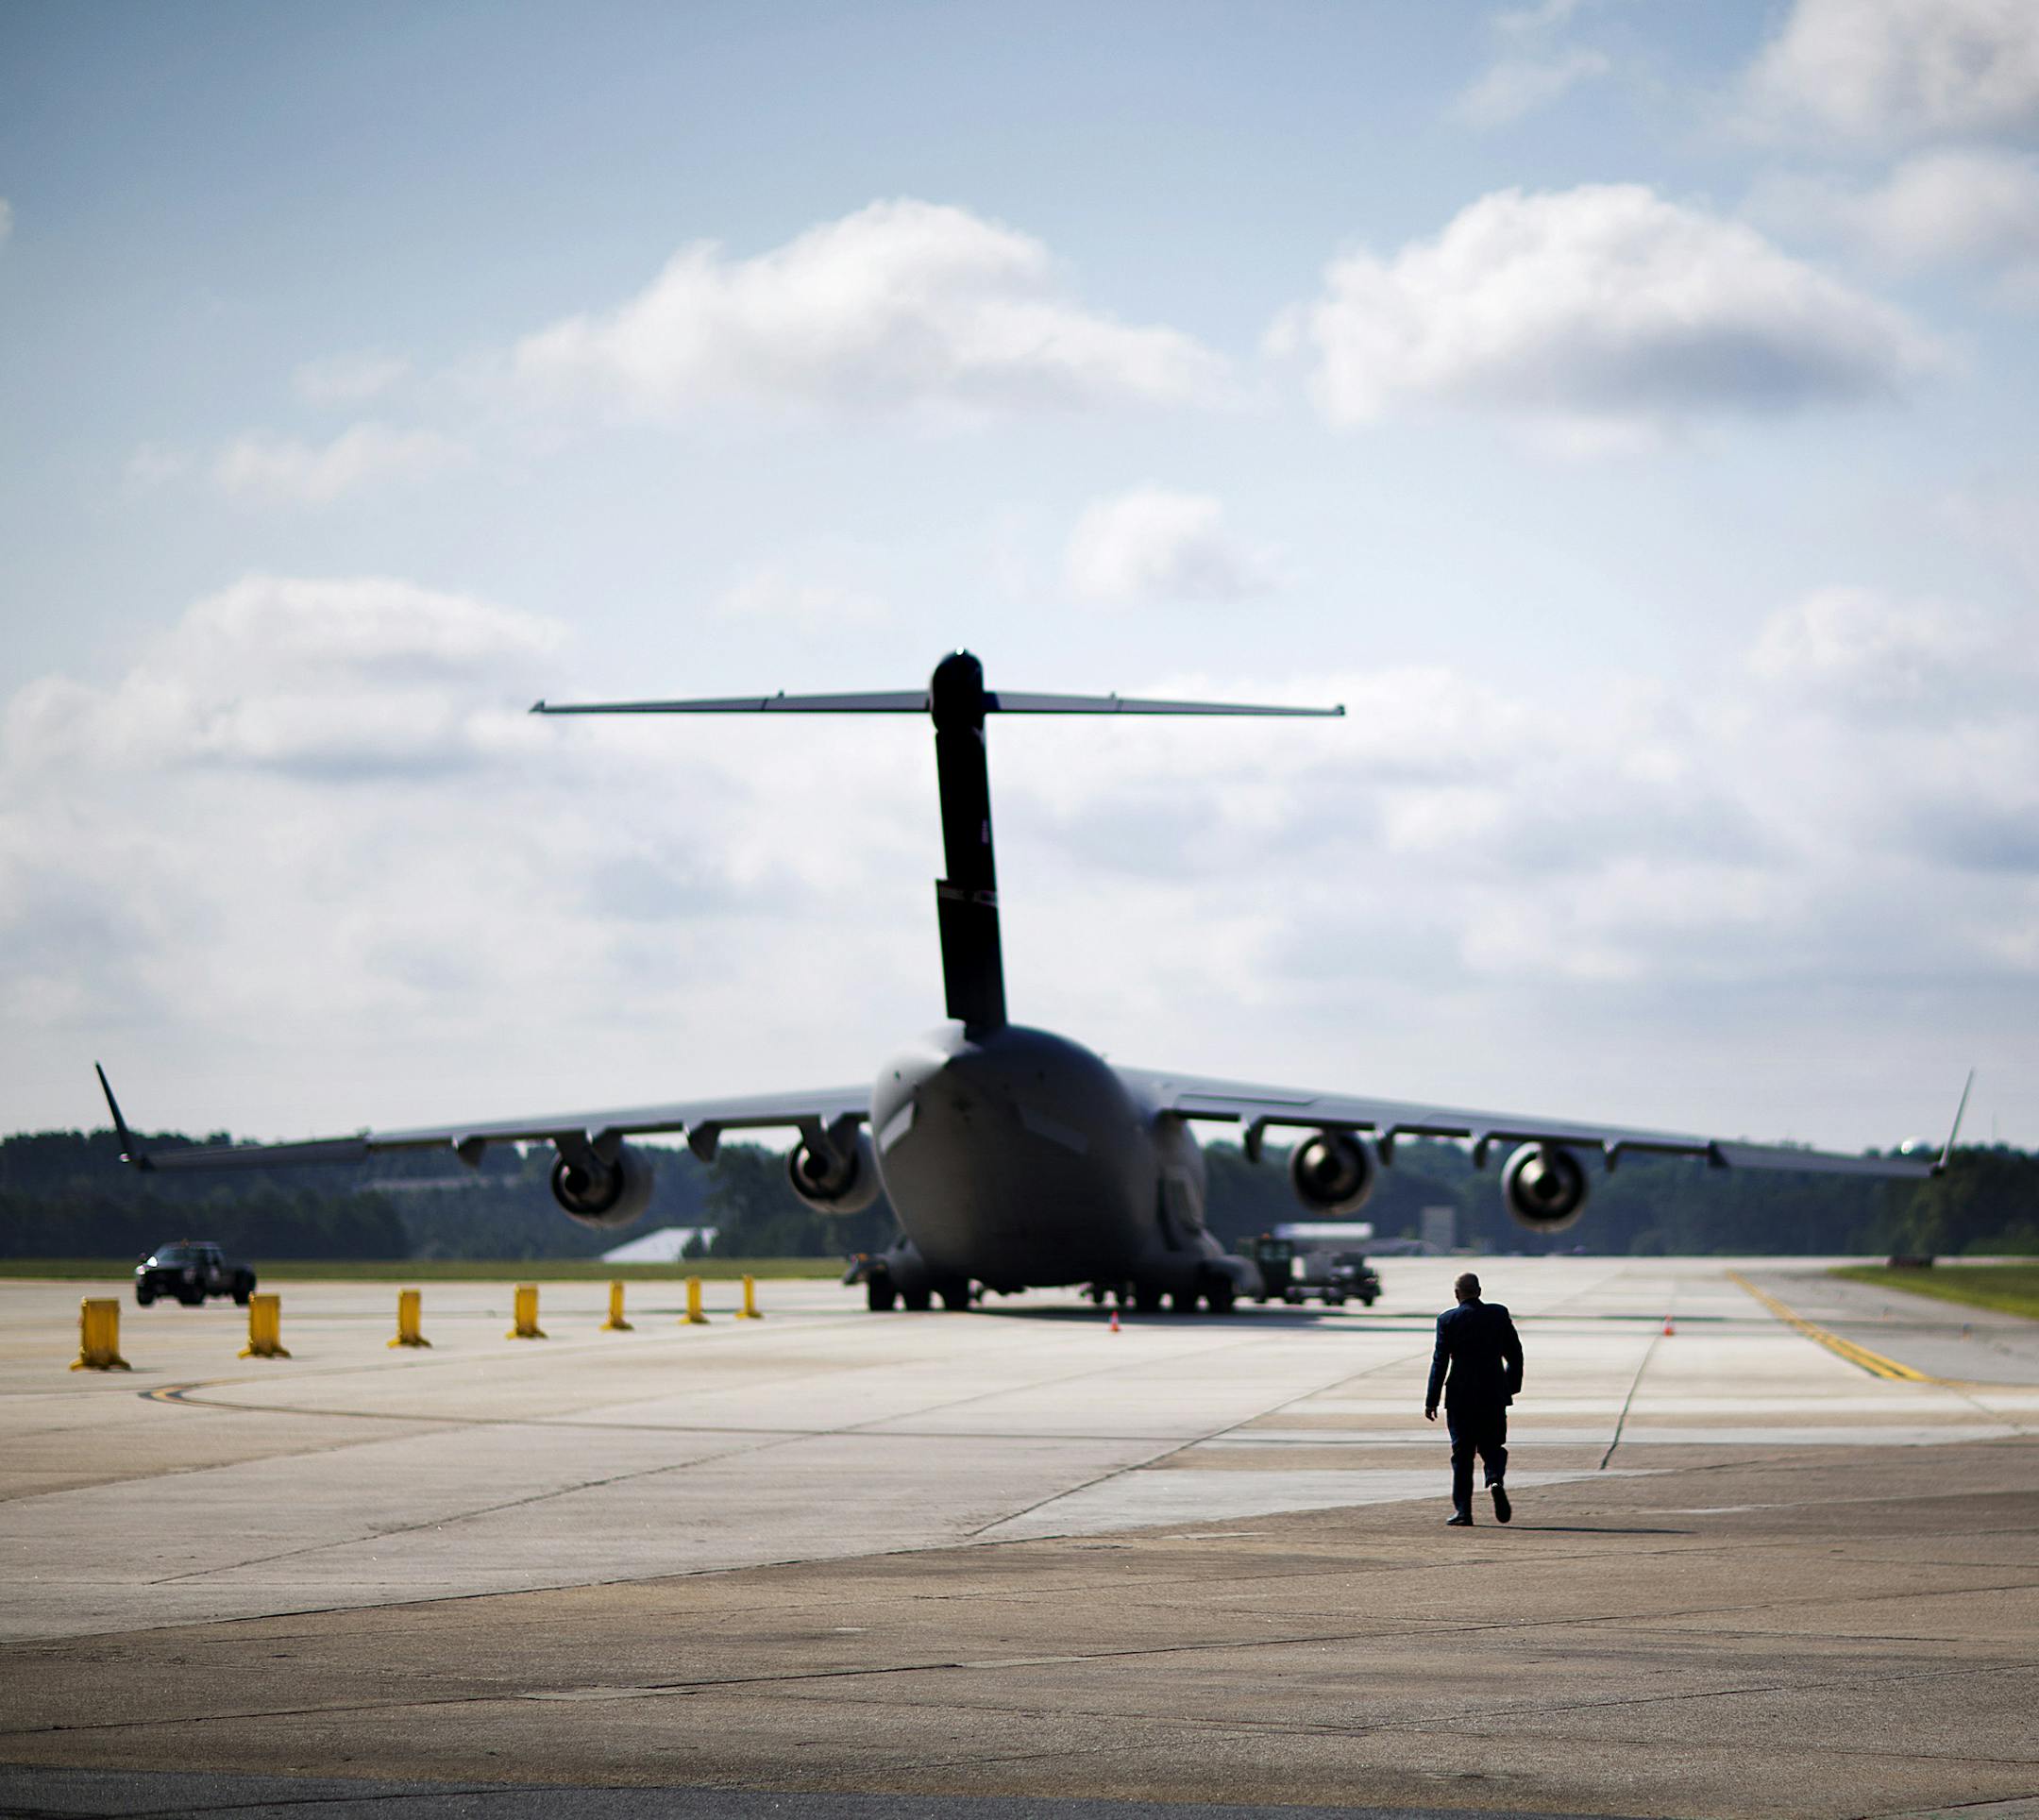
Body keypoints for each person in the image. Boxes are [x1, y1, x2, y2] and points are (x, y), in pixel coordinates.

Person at [1424, 1271, 1524, 1526]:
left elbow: (1440, 1361)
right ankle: (1494, 1480)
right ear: (1479, 1291)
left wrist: (1431, 1399)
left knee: (1462, 1454)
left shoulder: (1447, 1320)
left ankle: (1463, 1512)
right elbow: (1515, 1354)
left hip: (1460, 1396)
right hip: (1493, 1393)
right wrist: (1510, 1387)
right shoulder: (1498, 1314)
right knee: (1492, 1447)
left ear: (1457, 1294)